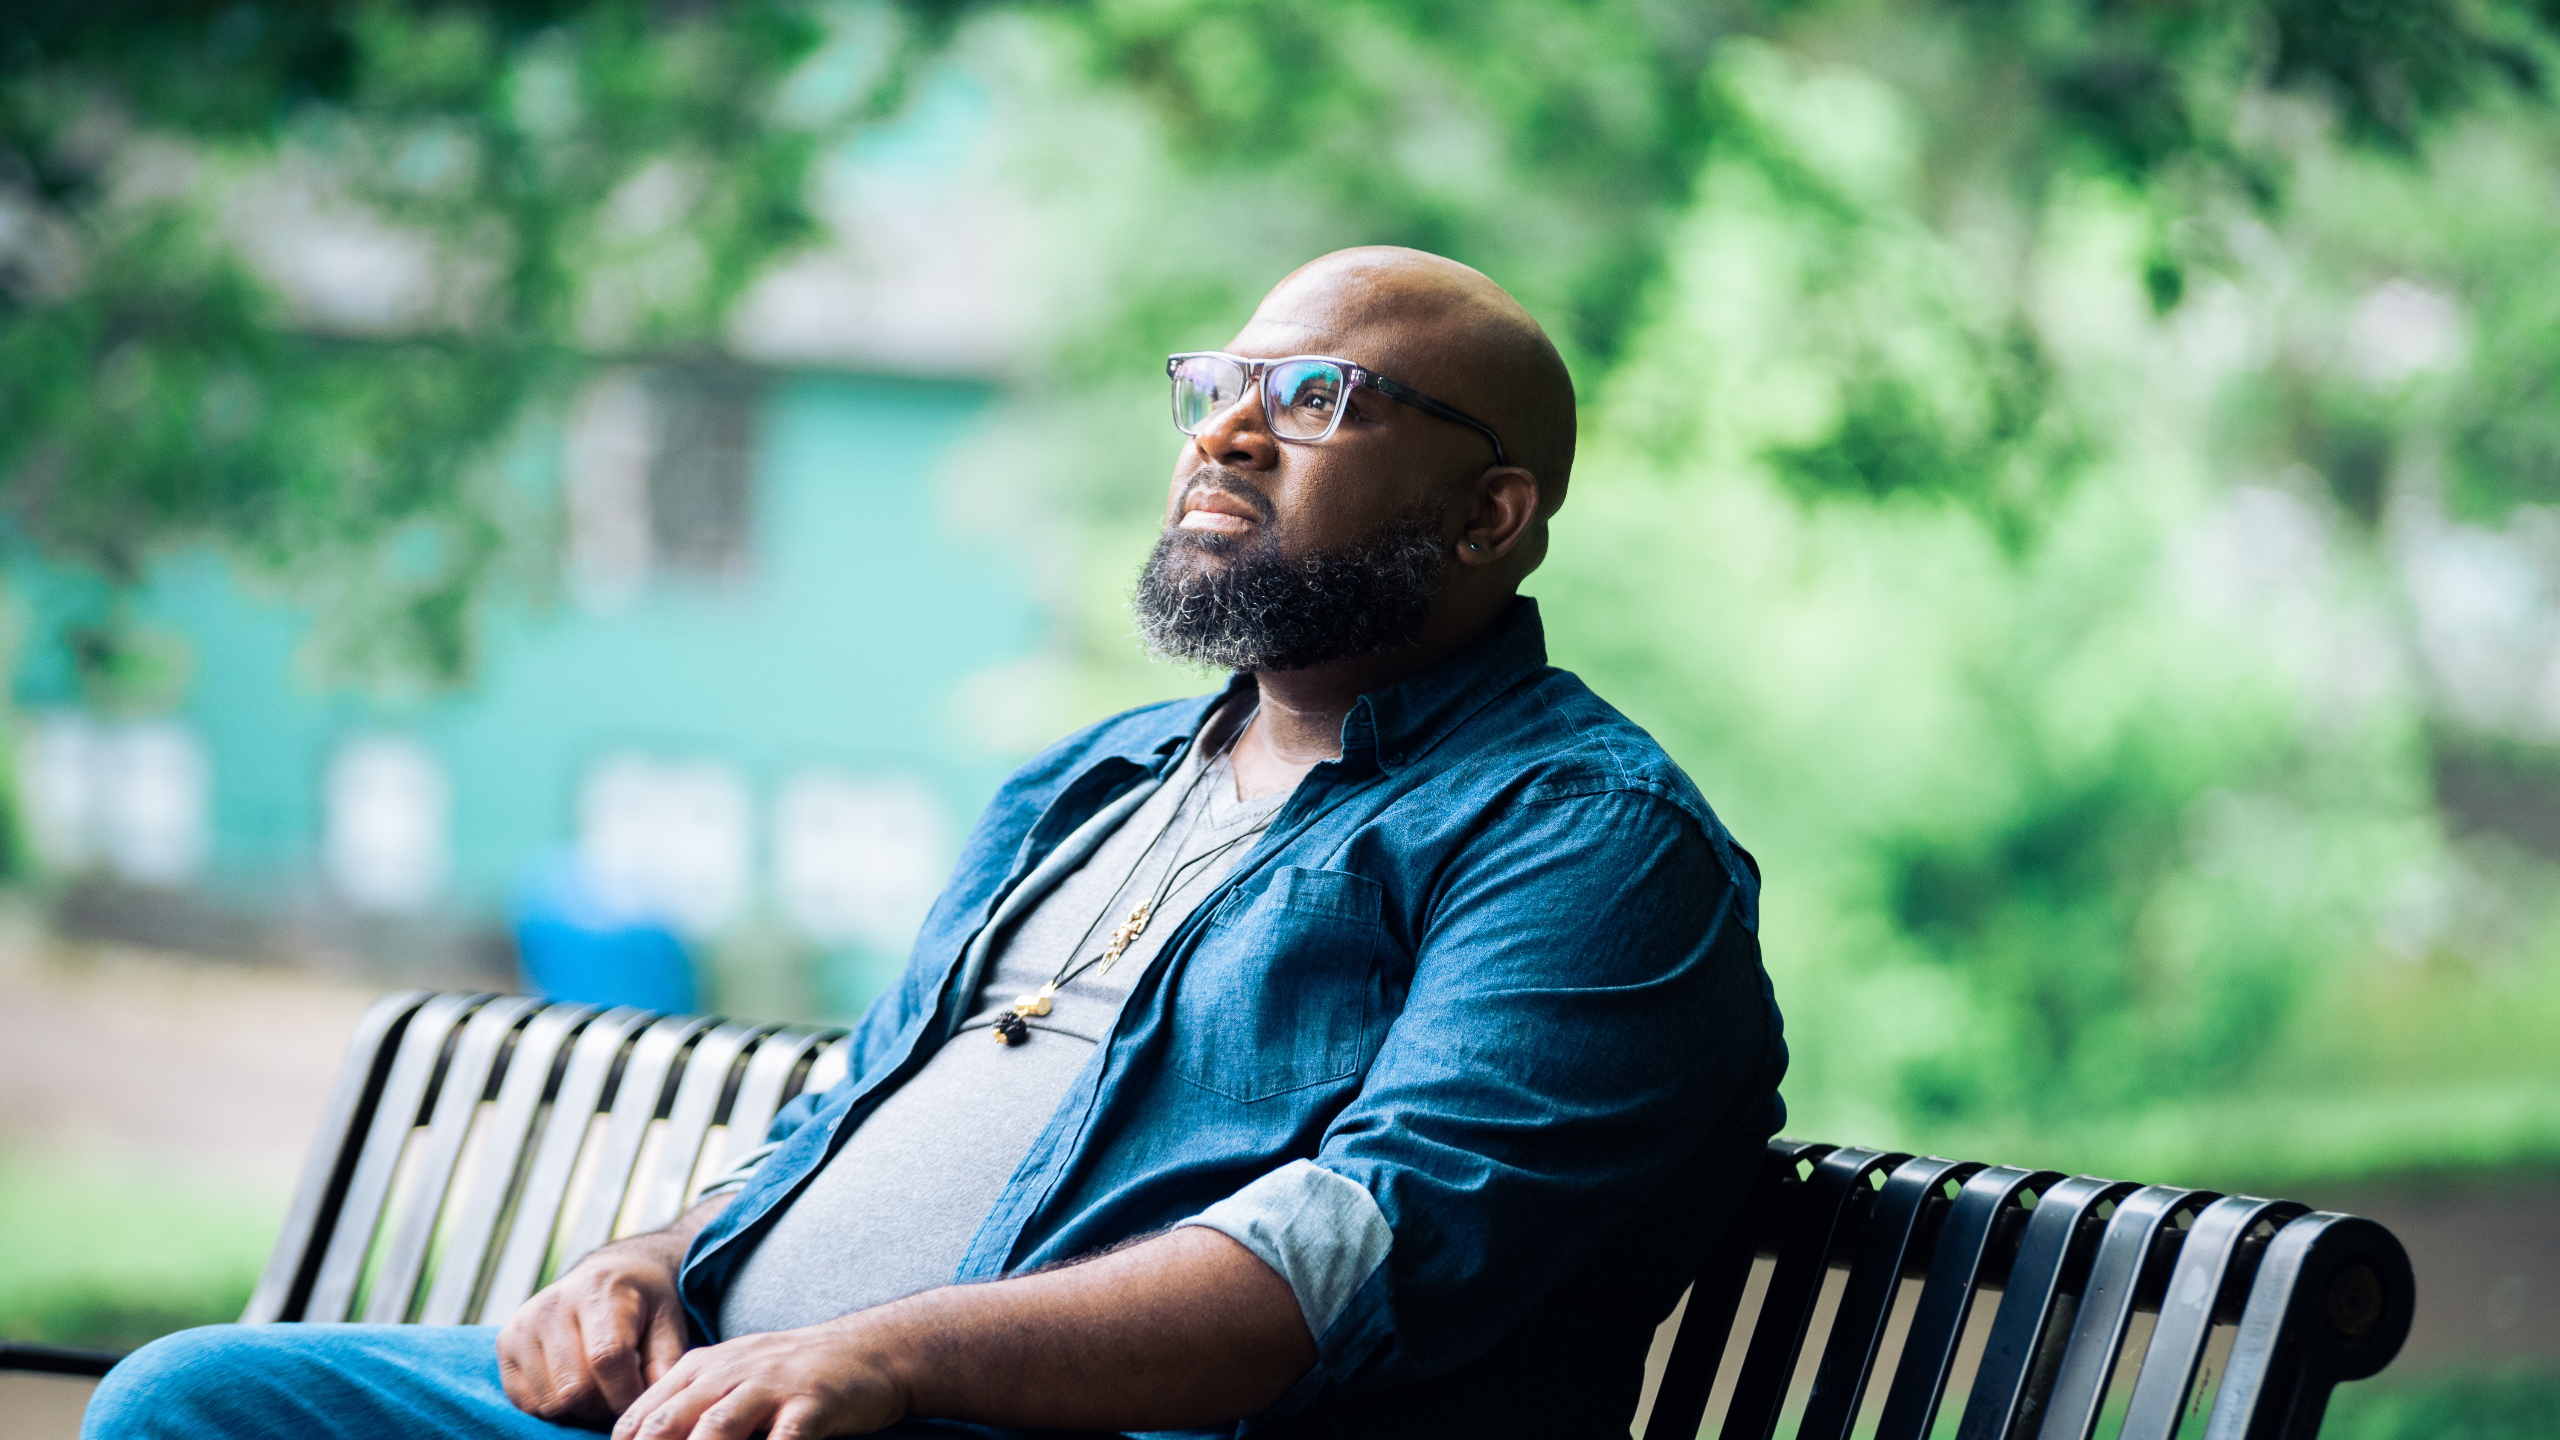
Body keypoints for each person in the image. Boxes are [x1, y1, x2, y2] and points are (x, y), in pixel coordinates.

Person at [84, 247, 1786, 1440]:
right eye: (1217, 387)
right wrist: (643, 1266)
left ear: (1491, 513)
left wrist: (887, 1358)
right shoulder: (1091, 782)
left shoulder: (1586, 843)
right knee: (203, 1402)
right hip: (738, 1397)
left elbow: (1359, 1255)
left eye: (1320, 396)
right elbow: (844, 1120)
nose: (1224, 433)